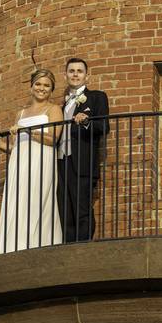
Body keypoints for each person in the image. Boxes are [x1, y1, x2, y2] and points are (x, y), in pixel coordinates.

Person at [0, 69, 65, 254]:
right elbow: (18, 147)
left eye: (47, 86)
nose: (42, 88)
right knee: (17, 200)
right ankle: (13, 247)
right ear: (31, 86)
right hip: (20, 163)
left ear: (51, 90)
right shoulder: (21, 114)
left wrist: (27, 131)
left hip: (42, 160)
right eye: (39, 84)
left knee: (38, 198)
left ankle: (38, 246)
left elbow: (53, 139)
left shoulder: (54, 109)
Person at [56, 57, 109, 242]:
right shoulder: (61, 106)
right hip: (61, 162)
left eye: (79, 71)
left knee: (82, 207)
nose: (75, 74)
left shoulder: (96, 97)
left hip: (82, 161)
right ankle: (69, 246)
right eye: (72, 71)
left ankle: (83, 245)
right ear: (65, 75)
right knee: (65, 209)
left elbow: (104, 126)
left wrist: (86, 121)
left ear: (87, 76)